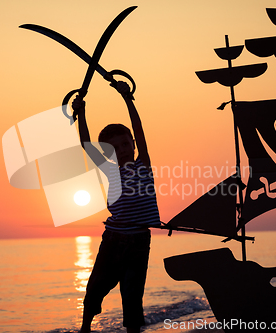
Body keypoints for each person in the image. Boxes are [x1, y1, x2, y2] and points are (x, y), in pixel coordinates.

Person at [72, 81, 161, 333]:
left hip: (139, 241)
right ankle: (85, 329)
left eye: (125, 144)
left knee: (132, 297)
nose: (121, 150)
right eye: (114, 148)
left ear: (132, 144)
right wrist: (81, 112)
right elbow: (86, 144)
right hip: (113, 240)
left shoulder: (143, 163)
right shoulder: (109, 170)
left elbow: (139, 129)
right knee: (95, 289)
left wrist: (127, 97)